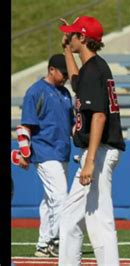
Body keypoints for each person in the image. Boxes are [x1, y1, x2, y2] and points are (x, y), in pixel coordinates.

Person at [57, 16, 126, 265]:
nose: (69, 37)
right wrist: (67, 50)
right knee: (70, 217)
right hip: (97, 150)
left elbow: (98, 116)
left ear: (83, 38)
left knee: (98, 219)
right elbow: (77, 82)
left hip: (100, 150)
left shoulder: (94, 69)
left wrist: (90, 162)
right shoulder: (93, 67)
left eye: (72, 34)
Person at [16, 54, 73, 257]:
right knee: (60, 196)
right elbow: (25, 126)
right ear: (51, 70)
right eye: (63, 72)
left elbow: (72, 123)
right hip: (44, 151)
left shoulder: (65, 92)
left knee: (49, 200)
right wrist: (25, 153)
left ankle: (43, 244)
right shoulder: (36, 91)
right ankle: (57, 241)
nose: (66, 76)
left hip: (62, 151)